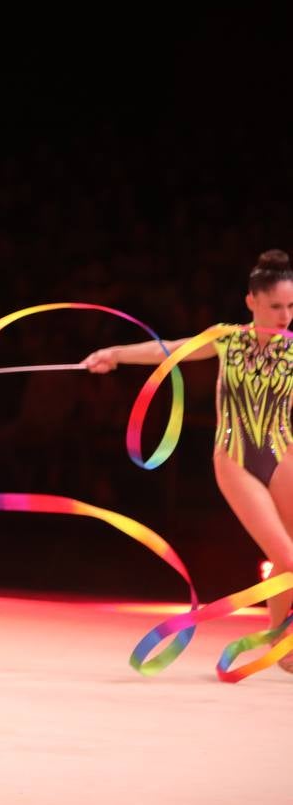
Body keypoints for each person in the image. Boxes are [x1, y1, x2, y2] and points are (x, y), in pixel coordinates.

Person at [83, 248, 293, 672]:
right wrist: (116, 354)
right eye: (275, 306)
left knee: (289, 555)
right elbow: (169, 351)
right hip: (236, 457)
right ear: (251, 301)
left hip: (283, 453)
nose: (285, 316)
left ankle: (283, 651)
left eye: (291, 306)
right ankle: (283, 644)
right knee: (287, 558)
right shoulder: (226, 339)